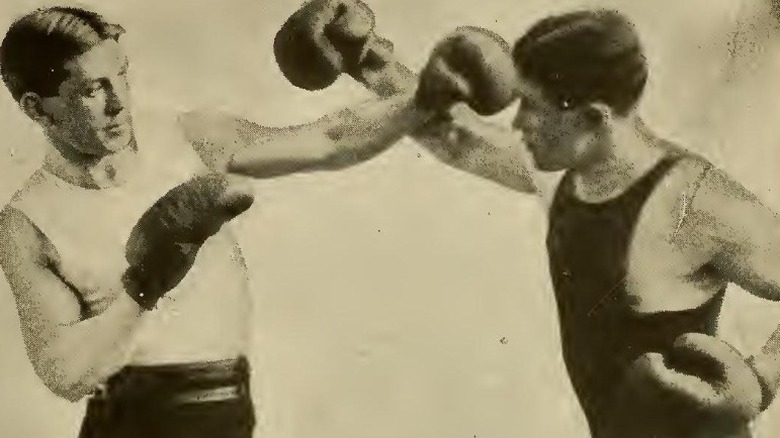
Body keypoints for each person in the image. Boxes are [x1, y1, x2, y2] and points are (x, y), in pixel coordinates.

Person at [271, 2, 780, 437]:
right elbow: (459, 138)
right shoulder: (566, 172)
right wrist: (367, 58)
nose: (517, 124)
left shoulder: (696, 205)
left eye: (533, 109)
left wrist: (760, 381)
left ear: (593, 118)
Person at [0, 5, 429, 438]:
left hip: (225, 407)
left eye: (122, 76)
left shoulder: (189, 138)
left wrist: (419, 89)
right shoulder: (27, 221)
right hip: (130, 421)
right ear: (37, 109)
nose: (118, 104)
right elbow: (64, 373)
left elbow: (328, 141)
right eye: (92, 90)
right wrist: (143, 287)